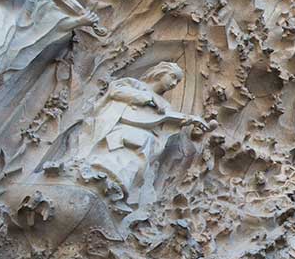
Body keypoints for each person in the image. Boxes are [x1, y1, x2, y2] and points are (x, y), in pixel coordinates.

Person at [78, 62, 205, 206]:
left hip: (144, 141)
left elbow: (161, 128)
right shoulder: (135, 84)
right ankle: (97, 174)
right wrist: (146, 98)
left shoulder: (165, 105)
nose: (174, 83)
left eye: (177, 81)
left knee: (137, 159)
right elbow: (115, 91)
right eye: (173, 77)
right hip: (121, 130)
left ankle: (118, 188)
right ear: (160, 73)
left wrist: (184, 122)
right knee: (112, 153)